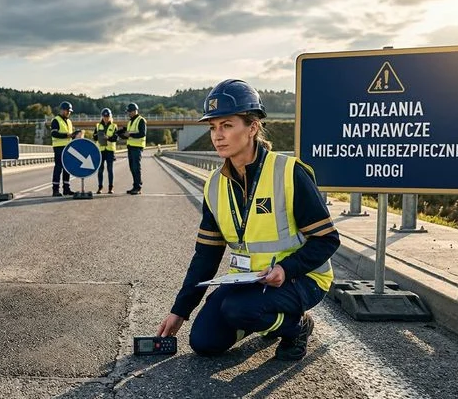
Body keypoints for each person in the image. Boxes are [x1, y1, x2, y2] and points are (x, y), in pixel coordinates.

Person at [156, 79, 339, 361]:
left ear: (252, 127)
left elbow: (327, 239)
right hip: (249, 281)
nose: (218, 135)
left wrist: (287, 269)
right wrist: (180, 310)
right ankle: (262, 317)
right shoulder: (215, 185)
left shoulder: (288, 173)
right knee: (203, 342)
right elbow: (206, 256)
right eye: (213, 127)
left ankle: (297, 326)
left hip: (301, 278)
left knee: (238, 310)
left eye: (227, 125)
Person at [50, 101, 81, 196]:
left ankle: (66, 189)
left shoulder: (69, 121)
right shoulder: (56, 120)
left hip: (68, 147)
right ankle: (55, 190)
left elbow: (70, 135)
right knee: (58, 168)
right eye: (67, 111)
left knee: (67, 168)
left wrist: (75, 136)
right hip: (59, 148)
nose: (69, 113)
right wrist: (67, 135)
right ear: (62, 110)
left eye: (70, 111)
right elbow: (54, 133)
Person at [117, 103, 146, 195]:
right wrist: (121, 135)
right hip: (130, 147)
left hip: (137, 147)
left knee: (136, 167)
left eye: (129, 112)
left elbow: (142, 134)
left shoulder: (141, 120)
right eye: (128, 112)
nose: (128, 113)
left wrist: (130, 135)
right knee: (132, 168)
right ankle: (135, 186)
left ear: (134, 111)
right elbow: (128, 135)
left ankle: (138, 187)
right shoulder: (130, 122)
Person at [93, 108, 119, 194]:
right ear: (102, 117)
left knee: (110, 170)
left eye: (107, 116)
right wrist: (98, 136)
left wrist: (108, 138)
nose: (106, 118)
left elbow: (116, 138)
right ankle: (100, 187)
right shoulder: (97, 126)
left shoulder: (114, 126)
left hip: (110, 151)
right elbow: (94, 137)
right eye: (104, 116)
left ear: (110, 116)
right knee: (100, 170)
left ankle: (110, 188)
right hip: (100, 150)